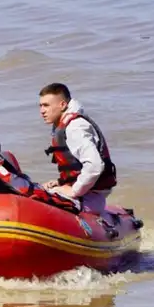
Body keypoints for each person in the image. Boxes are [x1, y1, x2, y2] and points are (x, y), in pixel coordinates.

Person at [38, 82, 117, 216]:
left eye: (46, 105)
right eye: (40, 106)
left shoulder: (75, 127)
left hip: (90, 197)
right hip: (87, 193)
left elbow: (95, 166)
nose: (42, 111)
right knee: (40, 190)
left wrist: (74, 190)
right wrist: (61, 183)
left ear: (62, 105)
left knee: (40, 199)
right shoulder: (64, 124)